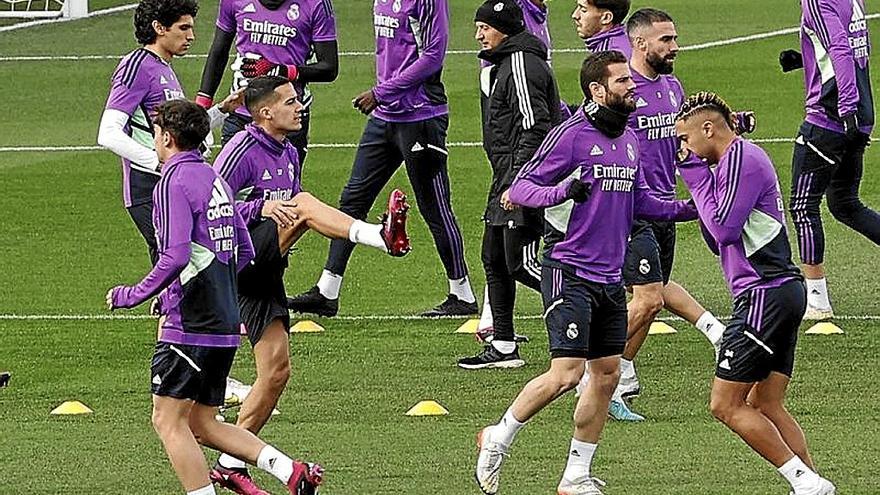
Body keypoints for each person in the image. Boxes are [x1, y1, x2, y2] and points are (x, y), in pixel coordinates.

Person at [473, 51, 697, 495]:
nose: (632, 87)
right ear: (597, 90)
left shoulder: (631, 138)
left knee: (607, 374)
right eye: (622, 82)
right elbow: (519, 187)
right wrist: (564, 189)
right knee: (567, 373)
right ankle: (497, 436)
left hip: (610, 277)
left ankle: (575, 475)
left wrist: (694, 210)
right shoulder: (572, 135)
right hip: (569, 269)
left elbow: (643, 202)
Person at [106, 99, 324, 495]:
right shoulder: (213, 178)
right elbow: (242, 246)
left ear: (166, 137)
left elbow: (175, 255)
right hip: (223, 323)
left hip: (190, 323)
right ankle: (290, 470)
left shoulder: (172, 181)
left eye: (156, 133)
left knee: (168, 420)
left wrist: (133, 294)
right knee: (203, 423)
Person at [209, 75, 410, 494]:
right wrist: (261, 206)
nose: (299, 107)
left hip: (265, 273)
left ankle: (229, 465)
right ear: (265, 112)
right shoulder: (241, 149)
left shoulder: (287, 152)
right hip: (234, 263)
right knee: (301, 204)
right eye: (290, 101)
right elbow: (209, 207)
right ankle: (380, 236)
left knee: (276, 373)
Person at [675, 91, 836, 495]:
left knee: (724, 404)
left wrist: (695, 178)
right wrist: (702, 181)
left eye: (686, 139)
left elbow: (725, 230)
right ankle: (812, 484)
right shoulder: (728, 164)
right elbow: (718, 241)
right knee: (766, 403)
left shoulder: (742, 160)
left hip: (764, 294)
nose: (684, 149)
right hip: (778, 292)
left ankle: (804, 483)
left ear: (708, 128)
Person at [578, 8, 730, 422]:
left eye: (675, 39)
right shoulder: (622, 92)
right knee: (646, 298)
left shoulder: (672, 86)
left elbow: (683, 143)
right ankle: (588, 377)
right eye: (666, 40)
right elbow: (587, 135)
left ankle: (613, 381)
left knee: (652, 298)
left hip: (665, 203)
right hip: (629, 206)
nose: (674, 47)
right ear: (639, 44)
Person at [287, 0, 476, 317]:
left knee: (434, 205)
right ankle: (327, 290)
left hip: (421, 115)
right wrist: (384, 97)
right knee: (352, 199)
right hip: (385, 116)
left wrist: (382, 92)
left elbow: (432, 56)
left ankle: (463, 294)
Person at [458, 0, 562, 370]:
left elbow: (535, 126)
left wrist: (521, 181)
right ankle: (503, 345)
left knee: (520, 261)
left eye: (484, 28)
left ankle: (587, 310)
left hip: (520, 175)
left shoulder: (521, 64)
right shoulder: (505, 63)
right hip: (504, 172)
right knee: (495, 258)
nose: (478, 35)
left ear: (503, 28)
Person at [98, 0, 242, 265]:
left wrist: (223, 109)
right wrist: (159, 163)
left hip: (172, 184)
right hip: (149, 189)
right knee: (180, 266)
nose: (191, 36)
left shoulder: (163, 67)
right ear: (159, 27)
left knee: (188, 270)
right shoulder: (137, 66)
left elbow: (180, 134)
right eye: (183, 28)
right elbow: (108, 133)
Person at [781, 0, 880, 320]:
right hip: (862, 116)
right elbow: (851, 48)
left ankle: (818, 301)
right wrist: (804, 58)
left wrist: (846, 106)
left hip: (831, 118)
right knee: (846, 204)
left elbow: (839, 47)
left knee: (802, 204)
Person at [196, 0, 338, 164]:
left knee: (283, 188)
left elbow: (329, 68)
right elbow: (219, 51)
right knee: (231, 186)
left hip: (288, 117)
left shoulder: (316, 4)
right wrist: (201, 105)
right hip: (242, 112)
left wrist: (279, 70)